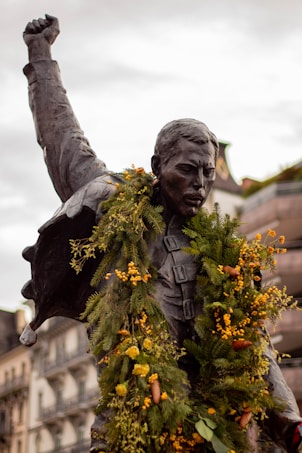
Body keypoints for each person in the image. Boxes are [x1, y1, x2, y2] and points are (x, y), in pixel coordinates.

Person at [20, 14, 302, 452]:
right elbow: (62, 140)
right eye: (187, 170)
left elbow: (256, 348)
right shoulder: (118, 214)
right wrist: (41, 58)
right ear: (156, 169)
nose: (201, 184)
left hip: (213, 433)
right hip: (131, 429)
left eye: (208, 173)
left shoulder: (226, 256)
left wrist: (289, 420)